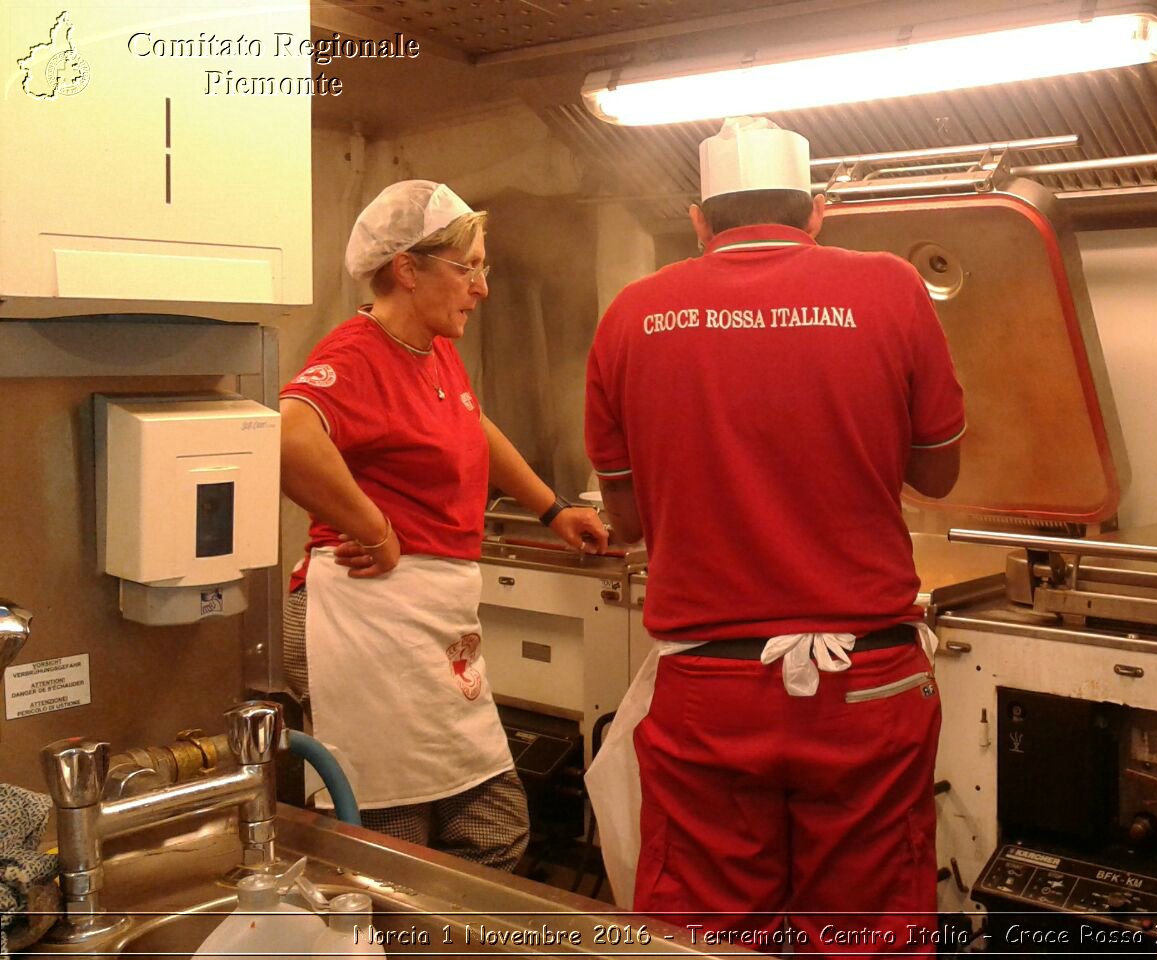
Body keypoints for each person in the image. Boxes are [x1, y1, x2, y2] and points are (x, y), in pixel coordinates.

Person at [584, 118, 965, 953]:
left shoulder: (632, 314)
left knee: (708, 938)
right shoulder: (892, 289)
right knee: (865, 937)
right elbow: (938, 475)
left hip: (709, 696)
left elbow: (631, 519)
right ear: (817, 212)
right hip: (867, 689)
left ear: (698, 220)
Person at [279, 179, 608, 870]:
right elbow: (286, 437)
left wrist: (552, 509)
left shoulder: (433, 349)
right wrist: (374, 527)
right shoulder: (357, 352)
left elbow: (471, 423)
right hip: (368, 621)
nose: (482, 288)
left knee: (493, 826)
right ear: (407, 268)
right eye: (470, 268)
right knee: (394, 848)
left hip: (433, 624)